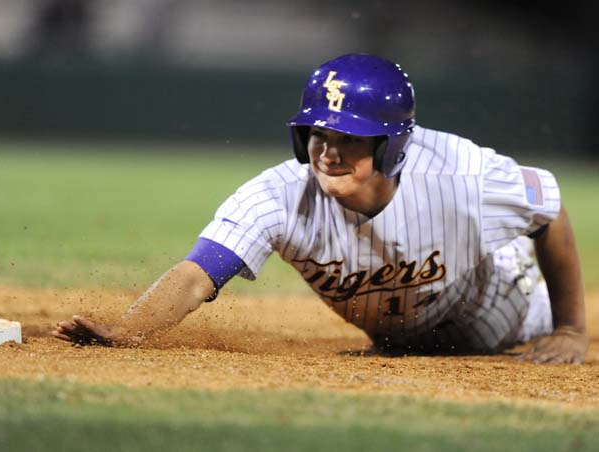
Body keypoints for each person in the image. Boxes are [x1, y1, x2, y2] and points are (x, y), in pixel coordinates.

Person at [52, 54, 587, 364]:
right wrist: (131, 329)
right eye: (317, 133)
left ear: (390, 145)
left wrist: (568, 329)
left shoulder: (463, 174)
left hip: (501, 304)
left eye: (349, 138)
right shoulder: (278, 195)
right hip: (399, 337)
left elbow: (551, 206)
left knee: (516, 309)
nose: (327, 151)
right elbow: (197, 274)